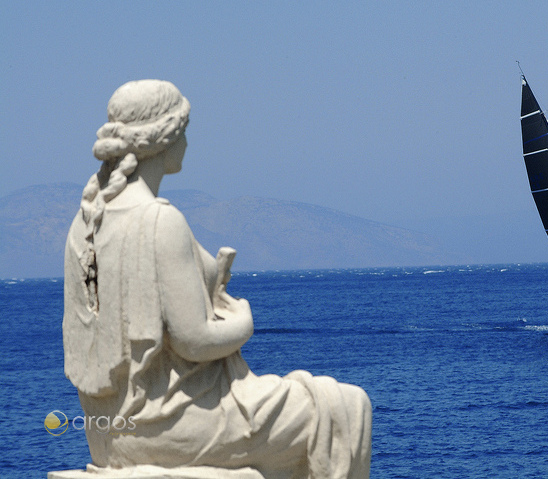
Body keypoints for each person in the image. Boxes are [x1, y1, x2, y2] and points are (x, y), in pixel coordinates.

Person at [63, 80, 371, 478]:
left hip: (108, 433)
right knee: (344, 407)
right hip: (169, 426)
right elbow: (195, 341)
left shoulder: (84, 222)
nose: (188, 143)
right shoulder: (159, 219)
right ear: (166, 137)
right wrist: (243, 320)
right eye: (184, 130)